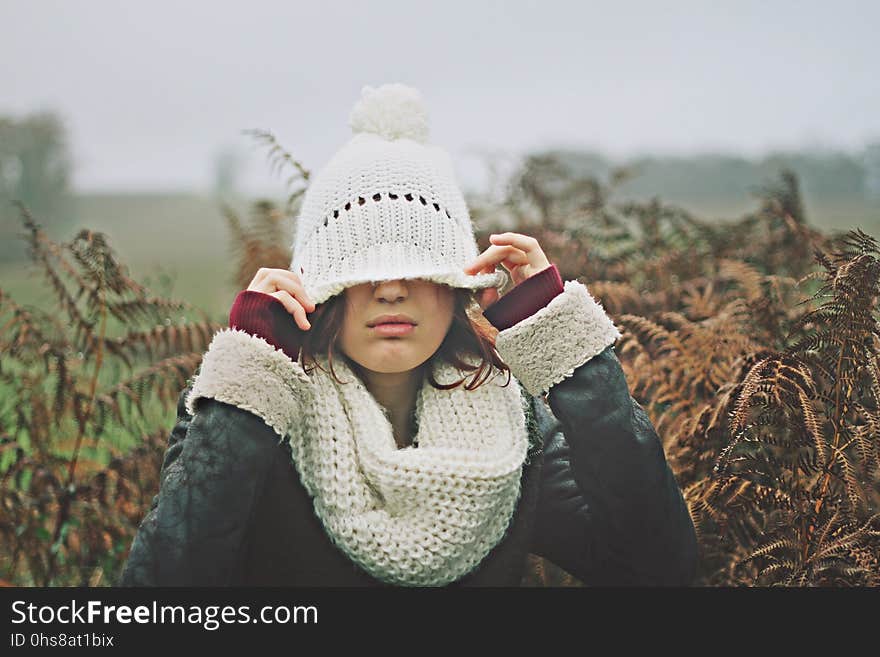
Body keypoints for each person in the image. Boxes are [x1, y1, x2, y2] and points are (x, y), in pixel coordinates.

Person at [120, 83, 698, 587]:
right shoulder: (252, 417)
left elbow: (656, 570)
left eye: (418, 268)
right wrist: (249, 379)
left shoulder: (515, 431)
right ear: (321, 292)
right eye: (360, 270)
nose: (390, 290)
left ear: (456, 288)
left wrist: (566, 348)